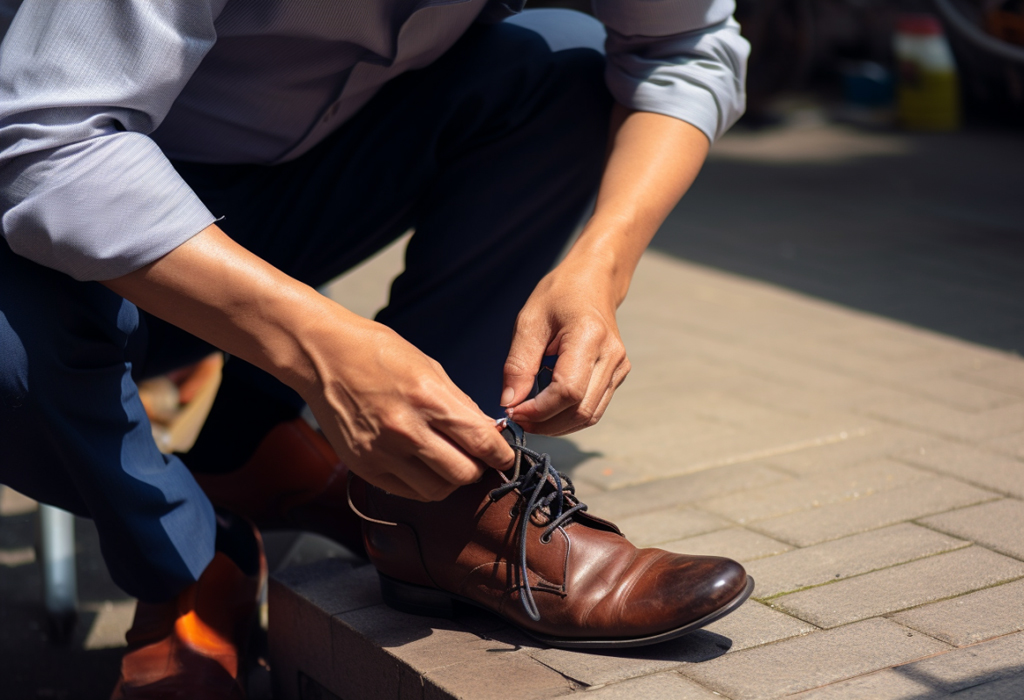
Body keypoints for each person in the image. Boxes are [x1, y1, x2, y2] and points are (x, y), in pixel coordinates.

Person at [0, 0, 750, 697]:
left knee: (559, 62)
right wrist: (321, 346)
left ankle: (431, 495)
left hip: (311, 171)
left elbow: (684, 46)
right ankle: (190, 556)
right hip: (66, 216)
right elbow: (48, 140)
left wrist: (602, 262)